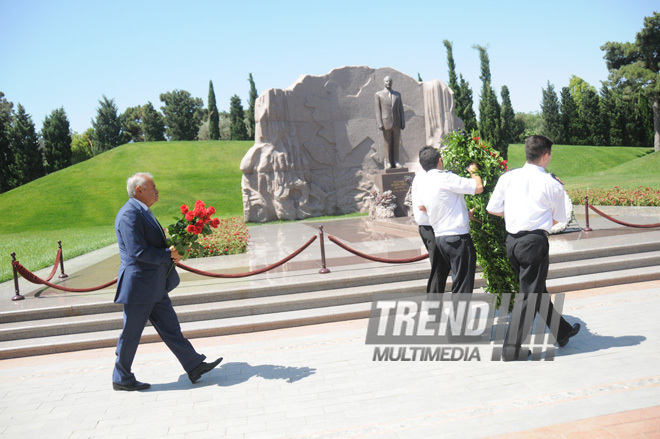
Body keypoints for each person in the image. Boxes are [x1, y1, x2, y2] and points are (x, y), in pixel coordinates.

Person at [113, 172, 222, 391]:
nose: (157, 190)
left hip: (153, 285)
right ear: (139, 191)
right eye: (152, 186)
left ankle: (194, 365)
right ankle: (121, 377)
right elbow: (137, 252)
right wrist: (168, 255)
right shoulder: (129, 215)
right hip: (139, 286)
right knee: (131, 333)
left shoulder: (143, 212)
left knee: (171, 328)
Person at [486, 135, 580, 361]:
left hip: (512, 242)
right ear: (546, 155)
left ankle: (562, 331)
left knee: (535, 290)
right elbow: (559, 220)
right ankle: (512, 348)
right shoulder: (551, 183)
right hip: (533, 243)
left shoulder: (508, 178)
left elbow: (493, 209)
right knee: (529, 294)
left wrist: (516, 214)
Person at [418, 147, 483, 295]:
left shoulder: (423, 182)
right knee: (462, 286)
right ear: (440, 161)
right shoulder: (446, 177)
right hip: (457, 237)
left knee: (459, 282)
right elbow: (478, 187)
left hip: (441, 237)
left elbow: (423, 206)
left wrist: (461, 214)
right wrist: (473, 170)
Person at [411, 147, 446, 294]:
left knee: (441, 267)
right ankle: (434, 307)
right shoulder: (424, 177)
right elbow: (423, 206)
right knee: (439, 268)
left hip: (429, 226)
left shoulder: (424, 176)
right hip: (429, 227)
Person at [375, 76, 405, 168]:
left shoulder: (397, 94)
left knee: (396, 143)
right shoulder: (378, 94)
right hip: (386, 123)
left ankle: (396, 161)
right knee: (387, 144)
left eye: (390, 81)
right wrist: (379, 123)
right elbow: (377, 110)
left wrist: (402, 122)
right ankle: (388, 163)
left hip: (396, 123)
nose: (389, 83)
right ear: (384, 82)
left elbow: (400, 109)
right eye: (387, 81)